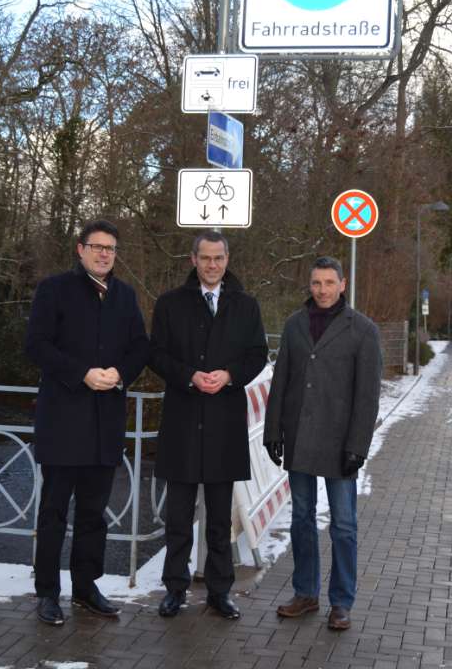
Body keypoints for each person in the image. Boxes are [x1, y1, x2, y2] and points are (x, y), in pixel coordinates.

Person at [25, 220, 149, 626]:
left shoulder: (124, 296)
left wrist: (119, 374)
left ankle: (85, 587)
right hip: (63, 420)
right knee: (54, 511)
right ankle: (47, 591)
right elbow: (37, 345)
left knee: (95, 514)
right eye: (96, 246)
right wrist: (82, 373)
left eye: (110, 248)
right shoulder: (54, 289)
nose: (103, 254)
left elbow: (139, 347)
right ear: (80, 249)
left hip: (105, 422)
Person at [149, 230, 267, 620]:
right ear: (193, 260)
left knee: (219, 519)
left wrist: (230, 375)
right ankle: (175, 589)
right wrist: (189, 376)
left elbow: (257, 355)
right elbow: (157, 354)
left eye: (218, 258)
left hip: (224, 423)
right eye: (205, 258)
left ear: (227, 260)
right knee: (178, 518)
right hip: (182, 422)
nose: (212, 265)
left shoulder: (246, 306)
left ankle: (220, 591)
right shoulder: (170, 304)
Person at [263, 256, 382, 631]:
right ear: (309, 285)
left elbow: (368, 396)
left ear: (342, 284)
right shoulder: (295, 324)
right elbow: (280, 380)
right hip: (299, 439)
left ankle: (341, 602)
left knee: (344, 525)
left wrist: (358, 446)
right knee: (301, 519)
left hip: (340, 444)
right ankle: (305, 593)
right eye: (316, 283)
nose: (323, 290)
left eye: (330, 283)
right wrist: (272, 431)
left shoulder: (363, 330)